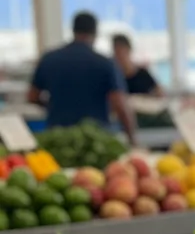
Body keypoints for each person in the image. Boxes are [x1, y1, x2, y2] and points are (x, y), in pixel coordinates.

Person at [28, 10, 137, 143]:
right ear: (95, 32)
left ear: (73, 30)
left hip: (58, 138)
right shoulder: (105, 63)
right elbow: (120, 104)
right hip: (95, 140)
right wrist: (132, 139)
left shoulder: (49, 59)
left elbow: (32, 97)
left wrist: (52, 105)